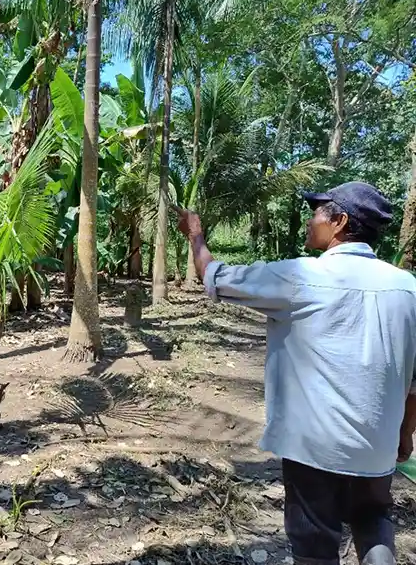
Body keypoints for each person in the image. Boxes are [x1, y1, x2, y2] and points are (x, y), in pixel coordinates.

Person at [175, 181, 416, 565]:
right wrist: (405, 433)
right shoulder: (408, 288)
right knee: (373, 519)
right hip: (377, 446)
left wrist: (196, 235)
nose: (309, 219)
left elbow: (215, 276)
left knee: (315, 546)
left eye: (317, 212)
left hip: (314, 449)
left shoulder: (300, 276)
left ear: (338, 222)